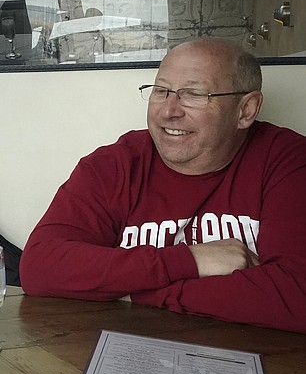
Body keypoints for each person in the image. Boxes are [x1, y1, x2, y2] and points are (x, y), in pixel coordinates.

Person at [20, 38, 306, 333]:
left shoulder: (288, 162)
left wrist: (138, 292)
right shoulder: (115, 164)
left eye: (193, 94)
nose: (169, 111)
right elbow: (40, 268)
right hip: (132, 361)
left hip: (261, 365)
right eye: (161, 91)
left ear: (245, 110)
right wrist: (190, 261)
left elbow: (298, 295)